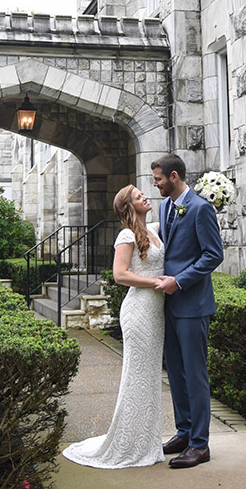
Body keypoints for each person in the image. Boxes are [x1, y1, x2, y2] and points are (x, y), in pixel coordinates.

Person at [62, 185, 166, 469]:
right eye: (138, 196)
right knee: (137, 375)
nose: (145, 196)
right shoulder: (126, 234)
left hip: (157, 312)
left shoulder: (155, 230)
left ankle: (147, 441)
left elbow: (181, 215)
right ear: (129, 206)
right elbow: (120, 275)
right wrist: (158, 282)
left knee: (150, 376)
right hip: (139, 311)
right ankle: (128, 443)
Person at [152, 153, 224, 468]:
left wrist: (179, 282)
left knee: (195, 376)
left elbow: (213, 255)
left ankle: (200, 444)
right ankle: (183, 431)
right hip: (168, 305)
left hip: (193, 305)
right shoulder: (165, 206)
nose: (155, 184)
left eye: (158, 179)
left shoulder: (200, 208)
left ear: (175, 177)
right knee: (177, 375)